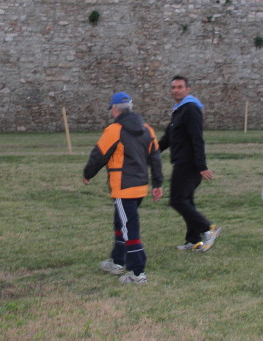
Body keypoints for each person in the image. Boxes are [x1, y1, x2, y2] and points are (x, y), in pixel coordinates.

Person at [83, 91, 163, 284]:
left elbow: (99, 155)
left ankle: (138, 273)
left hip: (123, 188)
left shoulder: (114, 130)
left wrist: (88, 173)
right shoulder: (147, 129)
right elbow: (155, 158)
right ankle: (118, 261)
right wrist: (157, 183)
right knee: (121, 222)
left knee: (129, 228)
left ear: (115, 110)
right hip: (140, 187)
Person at [158, 75, 221, 252]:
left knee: (177, 200)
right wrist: (150, 152)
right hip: (181, 162)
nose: (176, 90)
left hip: (188, 165)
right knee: (187, 201)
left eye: (180, 87)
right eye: (173, 87)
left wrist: (201, 166)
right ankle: (193, 240)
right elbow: (168, 138)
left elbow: (197, 138)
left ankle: (208, 228)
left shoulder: (191, 109)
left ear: (187, 89)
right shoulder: (179, 110)